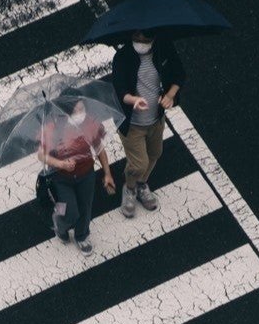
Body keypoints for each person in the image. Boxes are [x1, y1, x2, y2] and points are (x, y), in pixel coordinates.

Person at [112, 30, 187, 217]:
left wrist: (170, 96)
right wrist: (133, 100)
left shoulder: (163, 49)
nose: (141, 42)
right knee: (138, 164)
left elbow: (179, 74)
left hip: (155, 119)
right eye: (136, 38)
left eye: (145, 39)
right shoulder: (122, 57)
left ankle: (141, 184)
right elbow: (120, 88)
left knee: (155, 153)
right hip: (132, 124)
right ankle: (129, 189)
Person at [37, 98, 117, 253]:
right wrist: (61, 164)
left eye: (83, 109)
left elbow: (99, 148)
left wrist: (107, 173)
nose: (82, 114)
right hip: (60, 179)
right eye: (78, 110)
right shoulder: (53, 128)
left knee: (85, 207)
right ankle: (59, 224)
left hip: (86, 174)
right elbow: (41, 155)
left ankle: (81, 235)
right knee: (68, 211)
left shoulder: (89, 124)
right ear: (67, 112)